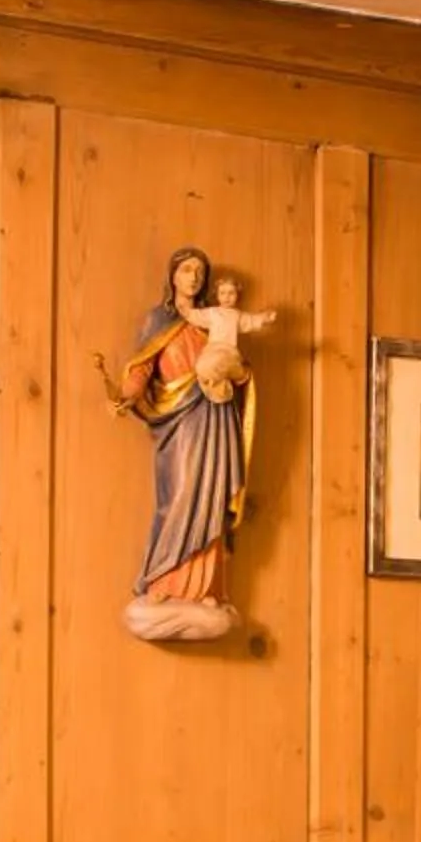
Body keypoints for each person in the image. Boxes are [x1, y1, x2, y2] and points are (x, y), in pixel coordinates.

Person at [108, 247, 252, 642]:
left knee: (212, 500)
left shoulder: (212, 324)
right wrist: (127, 393)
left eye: (199, 273)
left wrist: (236, 371)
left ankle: (207, 590)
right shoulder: (161, 319)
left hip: (217, 419)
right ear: (172, 275)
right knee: (182, 496)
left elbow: (239, 372)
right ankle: (163, 582)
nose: (193, 278)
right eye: (187, 270)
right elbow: (141, 367)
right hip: (180, 423)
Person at [179, 273, 276, 405]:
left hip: (229, 351)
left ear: (237, 295)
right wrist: (187, 312)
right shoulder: (213, 313)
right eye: (223, 293)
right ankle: (217, 387)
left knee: (224, 364)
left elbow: (251, 321)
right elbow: (198, 316)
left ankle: (235, 376)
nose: (227, 297)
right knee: (202, 366)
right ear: (217, 295)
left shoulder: (237, 315)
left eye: (231, 293)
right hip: (213, 350)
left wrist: (265, 318)